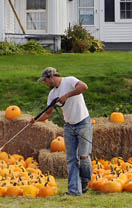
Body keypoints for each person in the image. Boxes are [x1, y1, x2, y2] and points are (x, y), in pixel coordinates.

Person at [32, 66, 92, 196]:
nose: (45, 83)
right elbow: (47, 114)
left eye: (45, 80)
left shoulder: (69, 81)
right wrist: (35, 120)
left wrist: (66, 95)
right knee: (71, 159)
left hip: (83, 123)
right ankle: (74, 191)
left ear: (51, 77)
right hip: (69, 127)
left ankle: (85, 182)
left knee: (84, 157)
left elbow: (84, 87)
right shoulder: (52, 94)